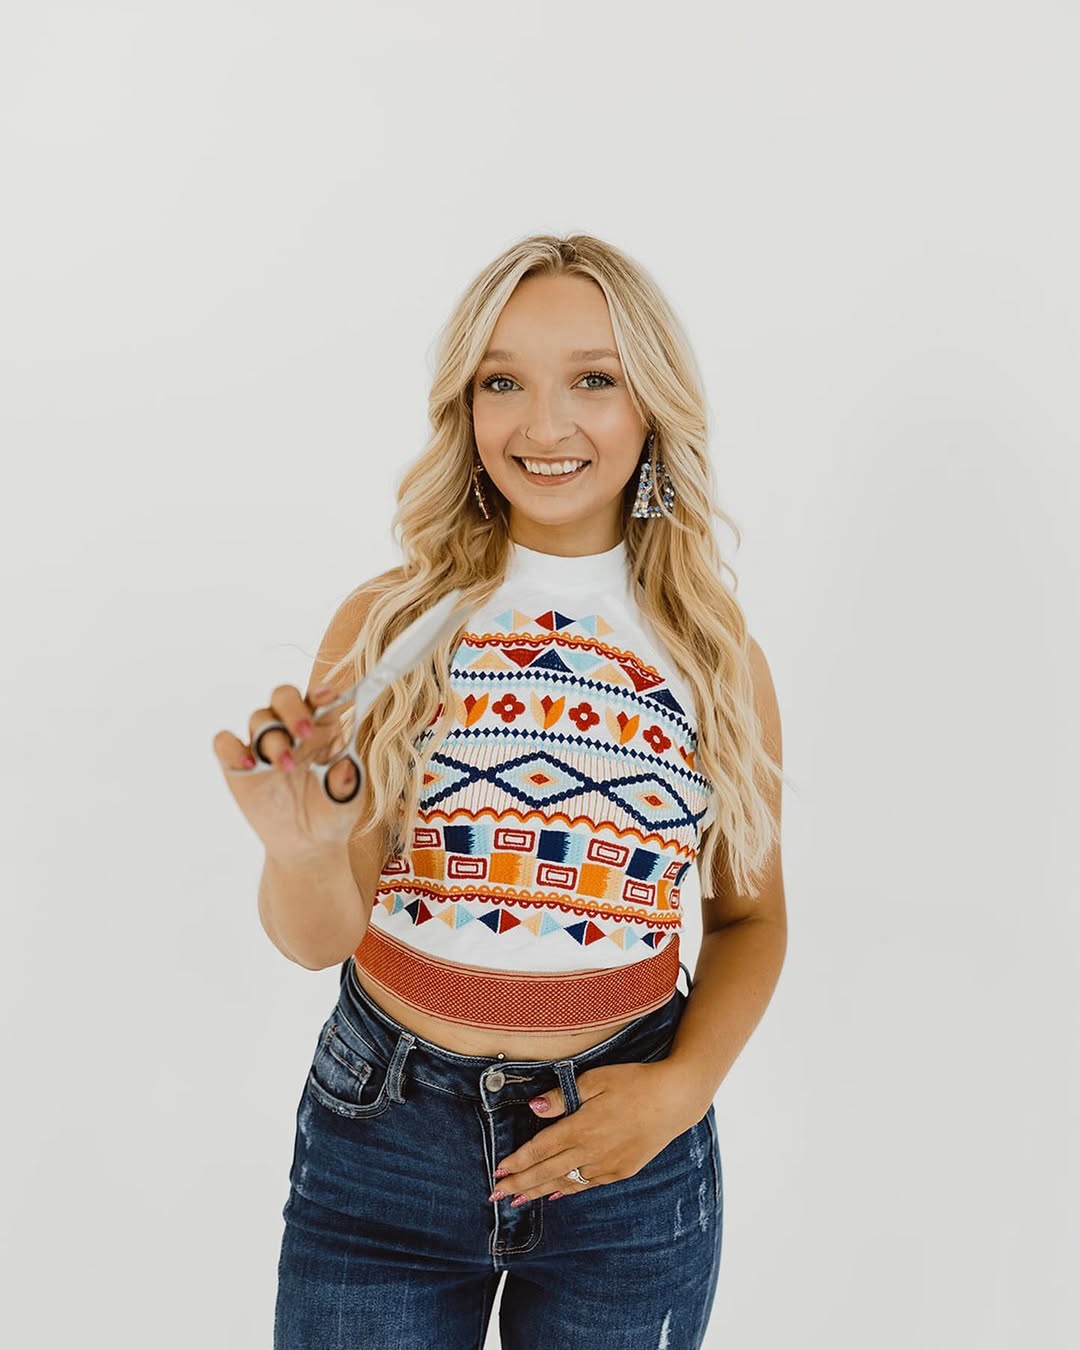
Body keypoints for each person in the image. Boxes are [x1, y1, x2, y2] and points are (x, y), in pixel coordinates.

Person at [214, 232, 788, 1349]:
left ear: (653, 404)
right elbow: (316, 939)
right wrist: (301, 851)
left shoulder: (713, 656)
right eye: (502, 382)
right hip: (384, 1141)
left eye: (593, 379)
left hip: (626, 1164)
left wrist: (679, 1093)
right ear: (465, 407)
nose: (544, 424)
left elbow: (750, 920)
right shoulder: (391, 625)